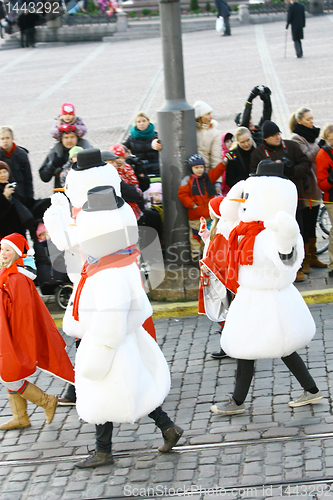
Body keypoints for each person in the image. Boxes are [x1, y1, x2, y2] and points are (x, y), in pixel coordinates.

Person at [211, 161, 323, 416]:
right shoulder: (246, 229)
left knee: (249, 348)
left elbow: (288, 262)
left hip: (267, 299)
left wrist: (285, 241)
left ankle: (237, 401)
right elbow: (223, 216)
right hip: (254, 296)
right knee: (278, 348)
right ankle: (311, 390)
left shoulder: (274, 230)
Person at [0, 233, 75, 430]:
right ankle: (20, 417)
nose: (4, 253)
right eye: (2, 249)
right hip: (7, 330)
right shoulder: (10, 272)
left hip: (13, 332)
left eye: (8, 250)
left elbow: (19, 311)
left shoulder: (16, 277)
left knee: (9, 375)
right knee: (9, 373)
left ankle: (46, 401)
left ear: (17, 253)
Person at [250, 120, 312, 282]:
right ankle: (279, 266)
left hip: (293, 198)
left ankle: (299, 265)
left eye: (278, 134)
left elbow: (306, 163)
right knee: (274, 235)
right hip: (271, 203)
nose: (278, 137)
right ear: (265, 138)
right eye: (273, 136)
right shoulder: (258, 153)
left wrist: (291, 170)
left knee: (296, 231)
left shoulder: (291, 146)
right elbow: (253, 177)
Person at [290, 107, 326, 272]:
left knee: (312, 224)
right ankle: (304, 260)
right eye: (308, 119)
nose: (312, 122)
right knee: (305, 224)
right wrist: (319, 147)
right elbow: (307, 157)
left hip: (316, 186)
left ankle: (313, 256)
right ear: (300, 121)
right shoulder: (297, 138)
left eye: (312, 118)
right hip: (307, 189)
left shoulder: (312, 136)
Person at [178, 153, 225, 262]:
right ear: (191, 168)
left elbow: (218, 170)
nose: (199, 170)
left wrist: (224, 161)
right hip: (196, 216)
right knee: (195, 236)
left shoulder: (208, 177)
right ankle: (196, 256)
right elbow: (182, 194)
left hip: (210, 214)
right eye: (196, 167)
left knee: (209, 235)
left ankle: (207, 255)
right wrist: (193, 205)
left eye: (201, 167)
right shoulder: (187, 180)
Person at [0, 126, 34, 209]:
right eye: (2, 138)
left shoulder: (21, 154)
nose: (5, 141)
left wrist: (29, 198)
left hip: (21, 194)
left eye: (7, 138)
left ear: (12, 139)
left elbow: (28, 178)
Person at [316, 123, 333, 278]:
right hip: (331, 198)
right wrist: (331, 179)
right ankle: (332, 265)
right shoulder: (323, 154)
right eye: (331, 139)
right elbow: (322, 184)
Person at [123, 112, 162, 179]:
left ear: (148, 122)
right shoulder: (131, 138)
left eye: (144, 121)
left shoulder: (157, 136)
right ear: (136, 123)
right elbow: (122, 149)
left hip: (156, 164)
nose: (141, 124)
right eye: (139, 122)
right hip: (140, 166)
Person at [193, 101, 222, 174]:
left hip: (207, 173)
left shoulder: (214, 133)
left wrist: (218, 181)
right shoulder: (190, 130)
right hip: (190, 173)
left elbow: (216, 158)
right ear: (199, 116)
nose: (211, 117)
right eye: (207, 114)